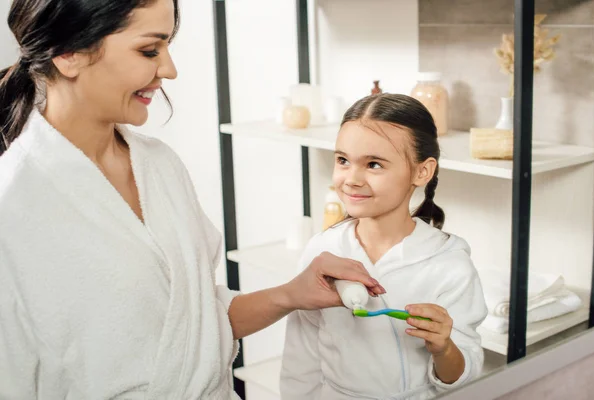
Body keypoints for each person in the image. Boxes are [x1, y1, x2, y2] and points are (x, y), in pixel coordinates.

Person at [0, 0, 386, 398]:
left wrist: (292, 293)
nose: (169, 69)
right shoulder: (15, 207)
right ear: (69, 54)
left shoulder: (159, 166)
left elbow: (197, 328)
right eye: (149, 50)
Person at [280, 93, 488, 399]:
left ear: (422, 171)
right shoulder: (322, 251)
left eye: (374, 164)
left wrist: (444, 347)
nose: (351, 179)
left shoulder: (448, 264)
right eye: (342, 160)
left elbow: (461, 376)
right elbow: (301, 355)